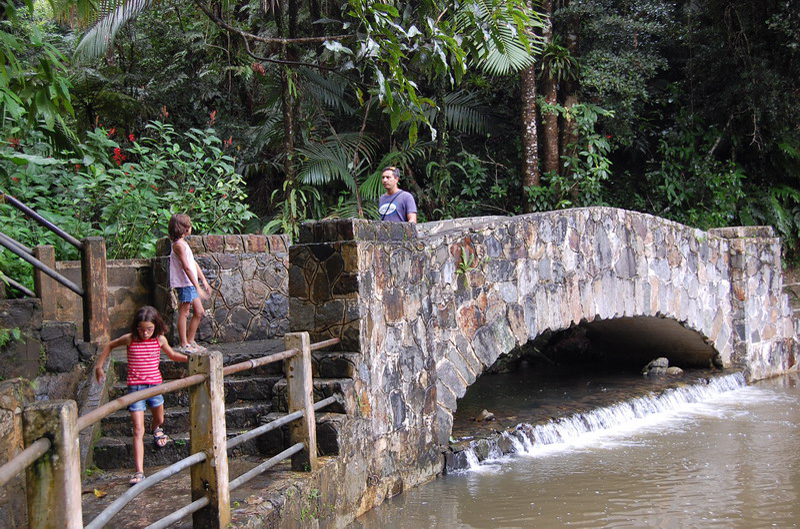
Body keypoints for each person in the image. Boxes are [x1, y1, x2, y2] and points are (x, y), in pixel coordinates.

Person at [94, 306, 188, 485]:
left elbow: (173, 355)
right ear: (136, 327)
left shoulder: (159, 339)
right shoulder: (130, 339)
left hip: (155, 387)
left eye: (149, 329)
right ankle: (139, 471)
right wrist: (99, 367)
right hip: (135, 389)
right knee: (137, 429)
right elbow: (109, 346)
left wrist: (191, 359)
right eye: (141, 329)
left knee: (158, 418)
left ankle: (156, 429)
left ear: (156, 327)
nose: (145, 333)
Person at [168, 213, 211, 352]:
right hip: (185, 283)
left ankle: (191, 341)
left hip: (191, 283)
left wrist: (203, 280)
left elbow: (192, 263)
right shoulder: (178, 245)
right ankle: (183, 343)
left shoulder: (184, 243)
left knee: (199, 312)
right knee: (184, 312)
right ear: (184, 229)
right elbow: (186, 267)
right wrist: (197, 286)